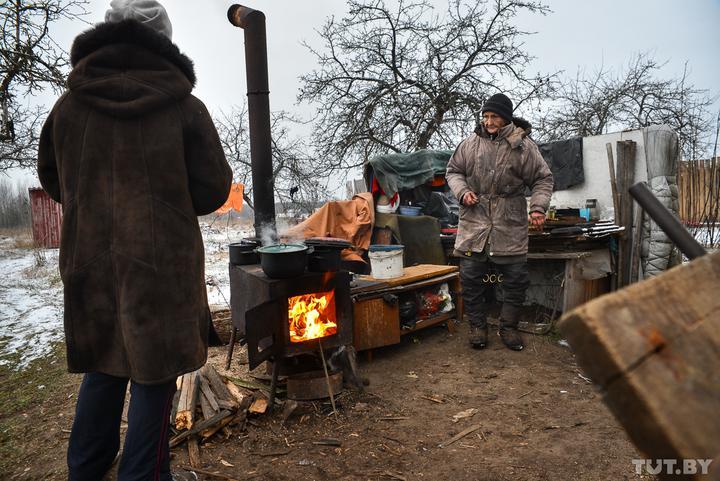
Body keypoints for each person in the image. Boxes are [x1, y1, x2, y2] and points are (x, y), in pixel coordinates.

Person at [37, 1, 232, 480]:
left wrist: (95, 206)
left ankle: (86, 470)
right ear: (162, 41)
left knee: (103, 366)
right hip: (160, 269)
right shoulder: (184, 107)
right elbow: (212, 191)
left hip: (90, 264)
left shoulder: (67, 108)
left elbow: (54, 180)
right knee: (155, 373)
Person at [446, 93, 553, 351]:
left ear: (505, 117)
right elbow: (453, 171)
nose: (488, 121)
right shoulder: (470, 144)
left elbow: (542, 179)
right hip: (474, 222)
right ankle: (478, 327)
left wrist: (538, 208)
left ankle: (508, 328)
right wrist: (462, 192)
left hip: (510, 222)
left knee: (516, 279)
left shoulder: (524, 146)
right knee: (471, 278)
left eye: (494, 116)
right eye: (485, 116)